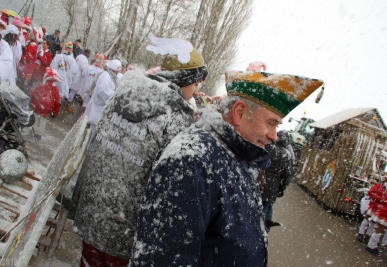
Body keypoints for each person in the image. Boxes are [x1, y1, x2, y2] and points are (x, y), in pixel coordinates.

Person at [130, 70, 324, 266]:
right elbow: (162, 259)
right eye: (271, 123)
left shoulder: (238, 153)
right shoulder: (191, 160)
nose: (274, 136)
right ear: (239, 113)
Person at [70, 40, 208, 266]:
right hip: (125, 233)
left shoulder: (121, 95)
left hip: (91, 212)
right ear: (184, 79)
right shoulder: (176, 120)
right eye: (196, 84)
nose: (197, 91)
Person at [261, 130, 294, 233]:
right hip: (272, 188)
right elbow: (287, 175)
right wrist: (281, 189)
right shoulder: (287, 155)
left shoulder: (267, 147)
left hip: (259, 184)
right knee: (266, 211)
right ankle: (264, 233)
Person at [84, 59, 123, 131]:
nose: (118, 73)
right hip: (98, 106)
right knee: (92, 130)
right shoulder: (106, 76)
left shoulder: (110, 76)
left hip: (100, 107)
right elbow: (102, 91)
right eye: (118, 71)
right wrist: (113, 95)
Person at [50, 41, 78, 106]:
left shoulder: (57, 56)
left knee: (52, 94)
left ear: (65, 48)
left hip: (55, 79)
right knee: (59, 97)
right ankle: (55, 108)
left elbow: (51, 66)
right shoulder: (73, 61)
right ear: (71, 50)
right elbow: (74, 72)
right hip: (64, 82)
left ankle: (49, 107)